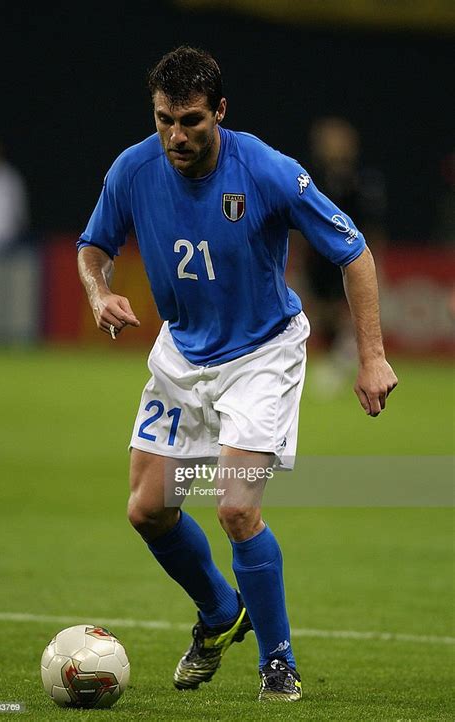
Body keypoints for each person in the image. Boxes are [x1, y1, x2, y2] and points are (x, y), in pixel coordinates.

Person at [77, 46, 397, 702]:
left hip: (261, 358)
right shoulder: (133, 169)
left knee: (235, 507)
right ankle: (223, 614)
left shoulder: (268, 171)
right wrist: (97, 292)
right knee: (147, 511)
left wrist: (371, 356)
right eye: (165, 119)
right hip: (181, 357)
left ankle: (278, 661)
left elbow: (355, 253)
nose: (177, 135)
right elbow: (92, 247)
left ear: (219, 112)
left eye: (191, 120)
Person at [300, 117, 388, 396]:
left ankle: (343, 367)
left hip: (350, 257)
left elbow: (373, 228)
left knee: (346, 316)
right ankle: (334, 367)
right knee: (323, 319)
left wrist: (376, 263)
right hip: (319, 260)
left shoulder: (363, 183)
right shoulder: (308, 179)